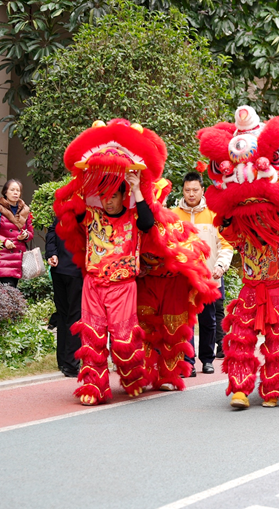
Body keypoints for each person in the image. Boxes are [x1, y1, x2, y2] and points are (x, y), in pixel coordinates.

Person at [72, 173, 155, 406]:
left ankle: (132, 378)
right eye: (104, 196)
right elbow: (73, 208)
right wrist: (80, 179)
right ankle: (93, 385)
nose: (108, 201)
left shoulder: (133, 217)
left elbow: (149, 223)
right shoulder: (91, 216)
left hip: (123, 287)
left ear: (123, 196)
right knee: (92, 336)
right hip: (93, 285)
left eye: (113, 196)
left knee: (123, 339)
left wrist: (136, 186)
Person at [173, 171, 234, 376]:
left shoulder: (213, 214)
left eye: (195, 190)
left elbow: (225, 244)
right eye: (187, 190)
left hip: (210, 278)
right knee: (186, 321)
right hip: (184, 279)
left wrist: (221, 265)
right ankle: (188, 362)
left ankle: (207, 359)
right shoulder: (174, 216)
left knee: (208, 321)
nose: (191, 194)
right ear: (182, 190)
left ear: (202, 189)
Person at [45, 217, 82, 378]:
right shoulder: (85, 207)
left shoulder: (65, 206)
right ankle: (70, 364)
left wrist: (51, 252)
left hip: (62, 267)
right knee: (73, 315)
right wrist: (51, 253)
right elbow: (53, 230)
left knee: (65, 315)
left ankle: (65, 362)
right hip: (71, 269)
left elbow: (52, 231)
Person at [0, 179, 34, 287]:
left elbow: (31, 233)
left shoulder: (26, 210)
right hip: (3, 257)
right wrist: (4, 241)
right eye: (12, 190)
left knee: (13, 291)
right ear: (5, 192)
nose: (15, 193)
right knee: (7, 291)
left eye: (18, 190)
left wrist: (25, 235)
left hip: (18, 258)